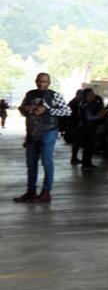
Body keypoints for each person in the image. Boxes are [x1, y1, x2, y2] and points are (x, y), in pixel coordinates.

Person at [14, 72, 71, 203]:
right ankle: (31, 192)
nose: (41, 84)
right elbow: (22, 109)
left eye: (44, 81)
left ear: (49, 83)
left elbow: (67, 111)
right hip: (32, 132)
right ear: (36, 81)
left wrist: (47, 110)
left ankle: (46, 192)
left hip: (48, 131)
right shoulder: (30, 94)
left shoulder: (55, 95)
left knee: (46, 162)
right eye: (39, 81)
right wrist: (25, 109)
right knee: (31, 163)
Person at [76, 88, 103, 170]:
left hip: (85, 128)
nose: (94, 95)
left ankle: (87, 164)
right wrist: (99, 116)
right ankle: (87, 164)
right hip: (87, 129)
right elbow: (89, 117)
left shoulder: (83, 103)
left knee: (88, 147)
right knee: (88, 147)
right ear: (88, 95)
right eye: (92, 94)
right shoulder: (87, 105)